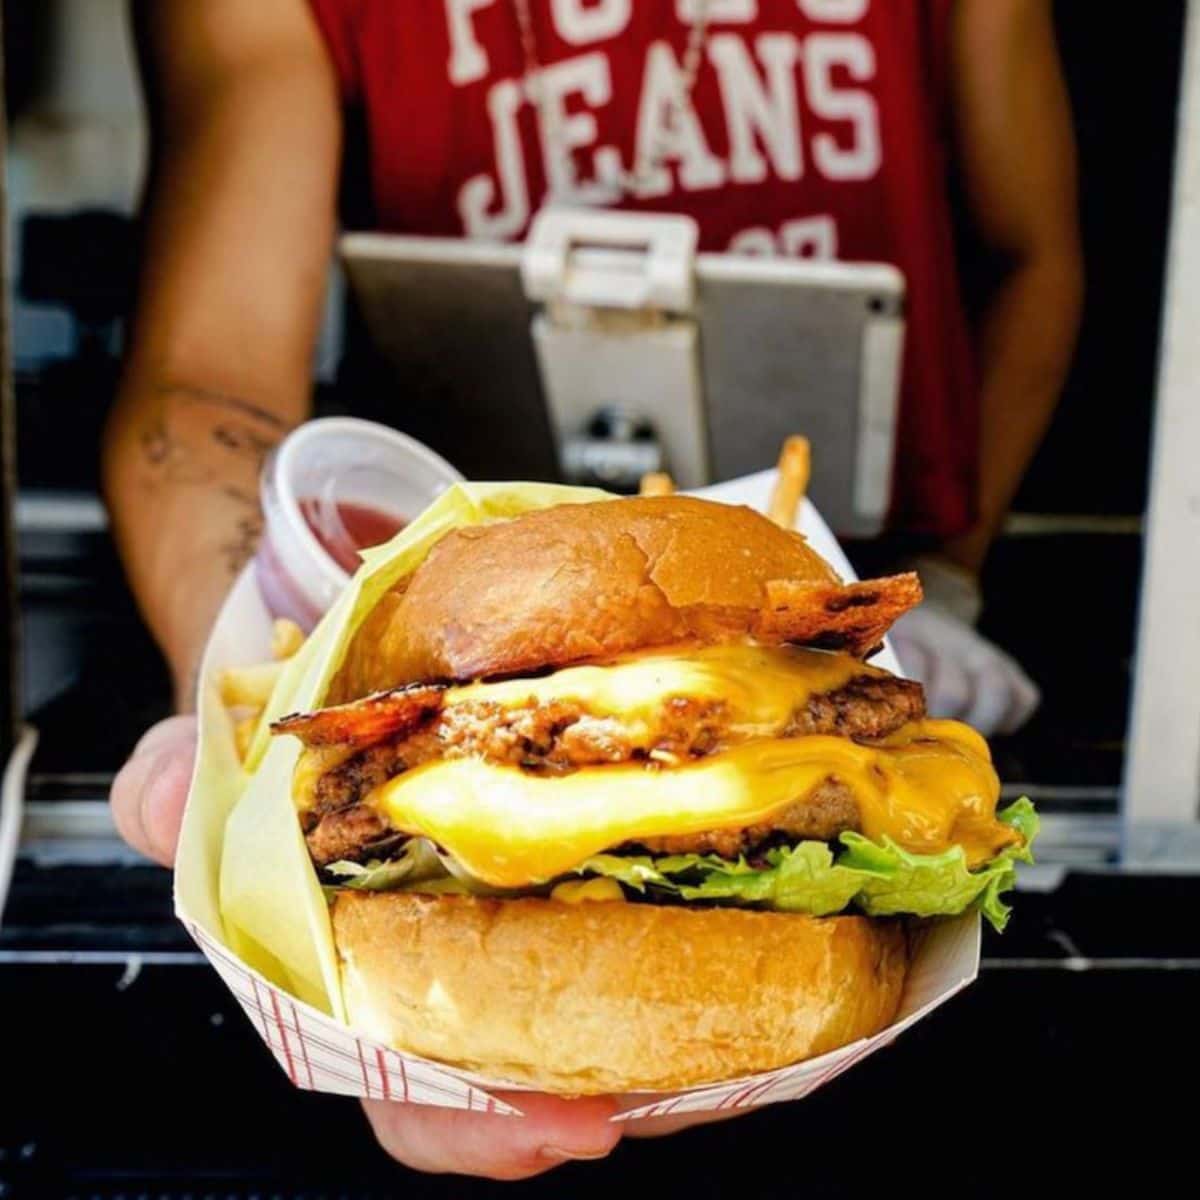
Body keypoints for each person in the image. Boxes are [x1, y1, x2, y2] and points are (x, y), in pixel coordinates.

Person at [107, 0, 1082, 1179]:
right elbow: (206, 391)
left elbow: (1034, 253)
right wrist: (241, 720)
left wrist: (960, 560)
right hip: (436, 633)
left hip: (868, 604)